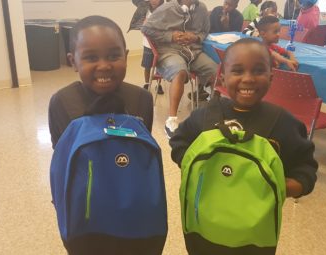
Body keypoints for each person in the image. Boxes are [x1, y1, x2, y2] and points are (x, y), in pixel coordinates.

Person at [169, 38, 317, 254]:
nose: (248, 79)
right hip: (203, 230)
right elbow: (179, 142)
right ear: (222, 76)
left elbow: (306, 169)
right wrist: (197, 168)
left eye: (258, 71)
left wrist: (282, 187)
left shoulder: (283, 123)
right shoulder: (205, 117)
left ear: (271, 77)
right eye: (237, 71)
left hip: (254, 237)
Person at [48, 16, 162, 254]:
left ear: (126, 54)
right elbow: (62, 159)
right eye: (91, 58)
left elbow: (140, 160)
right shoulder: (62, 103)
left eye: (113, 56)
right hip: (87, 217)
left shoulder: (141, 99)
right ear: (73, 61)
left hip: (135, 212)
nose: (104, 65)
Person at [141, 0, 217, 138]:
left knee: (214, 69)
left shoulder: (202, 9)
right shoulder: (166, 9)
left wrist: (195, 37)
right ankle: (171, 120)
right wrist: (170, 36)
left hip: (194, 52)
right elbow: (146, 29)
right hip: (170, 51)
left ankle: (215, 112)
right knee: (179, 71)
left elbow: (205, 31)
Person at [128, 0, 165, 95]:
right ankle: (147, 83)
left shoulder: (165, 9)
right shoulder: (144, 6)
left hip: (160, 44)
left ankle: (158, 84)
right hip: (147, 44)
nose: (153, 1)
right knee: (147, 65)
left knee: (159, 66)